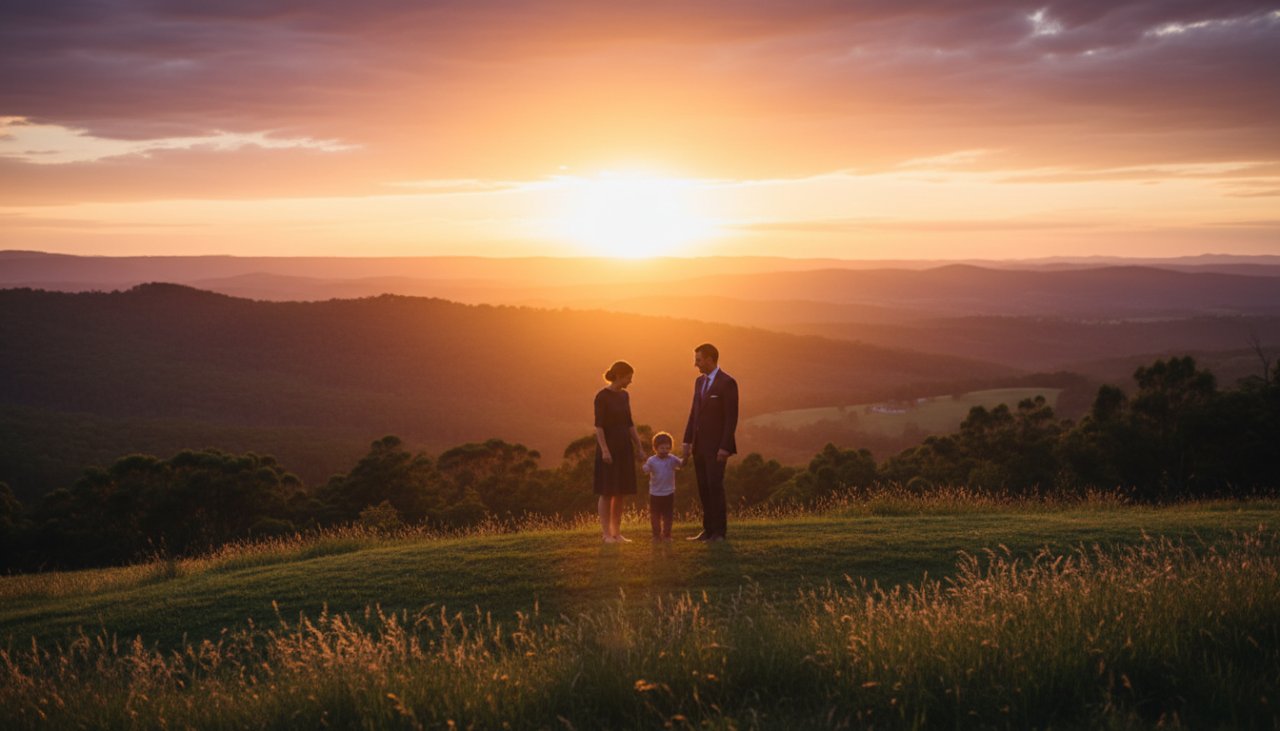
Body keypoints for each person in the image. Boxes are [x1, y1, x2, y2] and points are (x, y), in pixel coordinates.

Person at [682, 343, 738, 542]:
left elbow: (731, 418)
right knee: (703, 488)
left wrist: (725, 446)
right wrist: (687, 441)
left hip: (717, 448)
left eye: (698, 360)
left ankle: (719, 533)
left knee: (715, 487)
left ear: (709, 359)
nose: (695, 364)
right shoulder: (699, 382)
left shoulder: (727, 383)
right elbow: (693, 413)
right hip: (698, 446)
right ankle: (707, 530)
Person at [594, 360, 647, 543]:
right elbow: (599, 426)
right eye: (628, 378)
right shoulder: (602, 396)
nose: (630, 381)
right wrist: (605, 450)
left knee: (621, 492)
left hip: (625, 447)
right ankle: (606, 534)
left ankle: (616, 533)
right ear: (618, 376)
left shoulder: (625, 396)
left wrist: (639, 447)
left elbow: (630, 423)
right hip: (609, 448)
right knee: (607, 492)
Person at [641, 431, 682, 541]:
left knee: (668, 515)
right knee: (655, 516)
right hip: (655, 493)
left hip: (669, 492)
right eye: (662, 448)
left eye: (668, 448)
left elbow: (681, 463)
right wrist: (644, 464)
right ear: (656, 448)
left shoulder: (672, 458)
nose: (665, 451)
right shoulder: (651, 460)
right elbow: (646, 470)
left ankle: (667, 535)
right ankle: (656, 535)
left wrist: (686, 456)